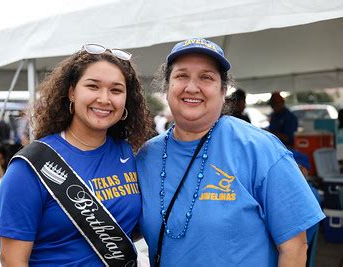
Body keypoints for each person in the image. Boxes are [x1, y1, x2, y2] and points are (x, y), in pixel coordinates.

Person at [136, 38, 325, 266]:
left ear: (223, 90)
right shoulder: (147, 156)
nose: (192, 87)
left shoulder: (260, 149)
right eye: (181, 76)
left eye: (206, 77)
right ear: (167, 88)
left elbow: (295, 247)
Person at [0, 44, 153, 266]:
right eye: (93, 86)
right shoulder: (29, 168)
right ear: (71, 92)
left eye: (116, 90)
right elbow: (12, 261)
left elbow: (124, 228)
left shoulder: (127, 153)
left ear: (126, 99)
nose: (104, 99)